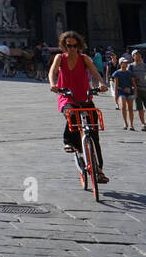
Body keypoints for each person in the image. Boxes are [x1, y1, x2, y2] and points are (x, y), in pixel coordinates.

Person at [48, 30, 109, 183]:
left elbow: (95, 73)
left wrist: (101, 83)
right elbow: (52, 72)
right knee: (72, 115)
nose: (72, 49)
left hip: (85, 96)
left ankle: (99, 169)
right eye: (69, 46)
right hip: (67, 96)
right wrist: (53, 84)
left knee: (94, 133)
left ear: (79, 46)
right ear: (64, 46)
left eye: (75, 46)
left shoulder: (84, 59)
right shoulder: (60, 58)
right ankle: (68, 141)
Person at [129, 50, 146, 131]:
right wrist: (133, 79)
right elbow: (128, 77)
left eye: (139, 54)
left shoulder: (145, 66)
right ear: (133, 57)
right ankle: (143, 124)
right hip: (136, 90)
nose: (138, 56)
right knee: (139, 108)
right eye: (136, 54)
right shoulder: (131, 66)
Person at [111, 55, 137, 130]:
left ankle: (131, 124)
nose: (126, 64)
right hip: (121, 92)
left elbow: (134, 83)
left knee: (130, 108)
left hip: (129, 91)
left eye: (126, 63)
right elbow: (116, 85)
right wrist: (116, 95)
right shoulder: (117, 73)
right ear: (120, 64)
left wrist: (135, 92)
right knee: (123, 106)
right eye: (124, 63)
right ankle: (125, 123)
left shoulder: (129, 73)